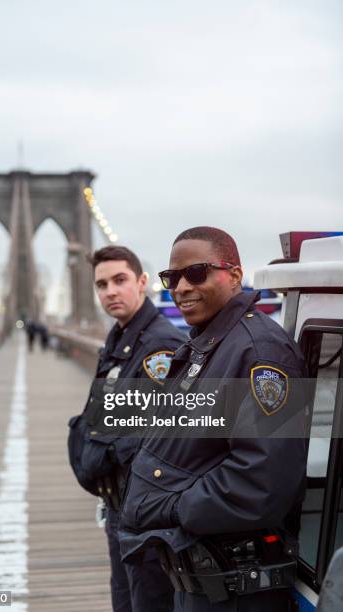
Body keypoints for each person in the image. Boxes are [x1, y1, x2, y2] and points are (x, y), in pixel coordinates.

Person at [118, 227, 308, 612]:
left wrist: (171, 504)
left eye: (198, 272)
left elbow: (262, 482)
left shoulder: (260, 352)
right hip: (199, 581)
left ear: (235, 275)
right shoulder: (207, 345)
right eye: (172, 278)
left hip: (235, 591)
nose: (182, 287)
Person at [68, 245, 186, 612]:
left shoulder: (159, 346)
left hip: (146, 512)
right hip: (120, 504)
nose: (110, 292)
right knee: (125, 601)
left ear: (142, 282)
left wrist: (99, 456)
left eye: (120, 280)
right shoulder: (120, 338)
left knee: (147, 603)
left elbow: (158, 432)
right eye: (102, 284)